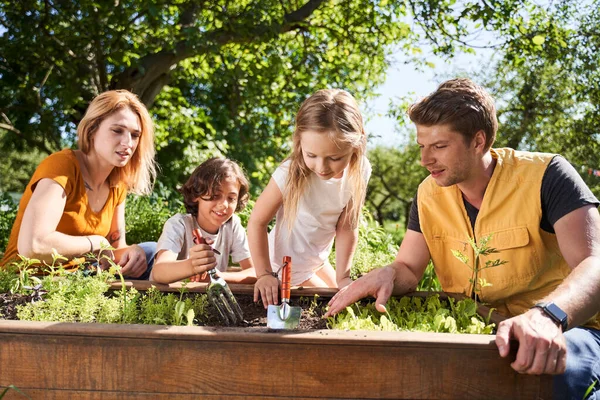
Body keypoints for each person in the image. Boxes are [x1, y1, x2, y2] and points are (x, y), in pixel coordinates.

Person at [324, 78, 600, 400]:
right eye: (421, 147)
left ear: (478, 141)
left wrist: (548, 316)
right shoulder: (428, 194)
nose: (425, 160)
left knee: (553, 378)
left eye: (439, 147)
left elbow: (593, 266)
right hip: (475, 333)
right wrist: (387, 273)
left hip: (569, 329)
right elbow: (409, 268)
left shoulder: (548, 175)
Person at [1, 90, 157, 279]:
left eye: (135, 135)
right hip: (28, 281)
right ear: (92, 130)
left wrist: (132, 253)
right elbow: (33, 246)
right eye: (117, 131)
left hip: (81, 279)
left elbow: (114, 249)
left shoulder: (118, 182)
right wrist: (96, 243)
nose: (128, 143)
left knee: (151, 251)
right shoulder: (62, 166)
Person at [248, 88, 371, 308]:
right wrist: (264, 274)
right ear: (299, 141)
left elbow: (346, 225)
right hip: (286, 265)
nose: (321, 167)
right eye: (311, 155)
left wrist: (343, 277)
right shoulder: (288, 173)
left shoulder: (360, 170)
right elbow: (257, 221)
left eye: (334, 158)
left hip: (316, 261)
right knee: (333, 308)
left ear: (356, 145)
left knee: (350, 298)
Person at [151, 157, 256, 284]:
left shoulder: (232, 226)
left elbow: (254, 271)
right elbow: (159, 272)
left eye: (231, 198)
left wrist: (219, 277)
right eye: (215, 195)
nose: (224, 204)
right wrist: (192, 266)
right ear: (196, 195)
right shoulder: (178, 224)